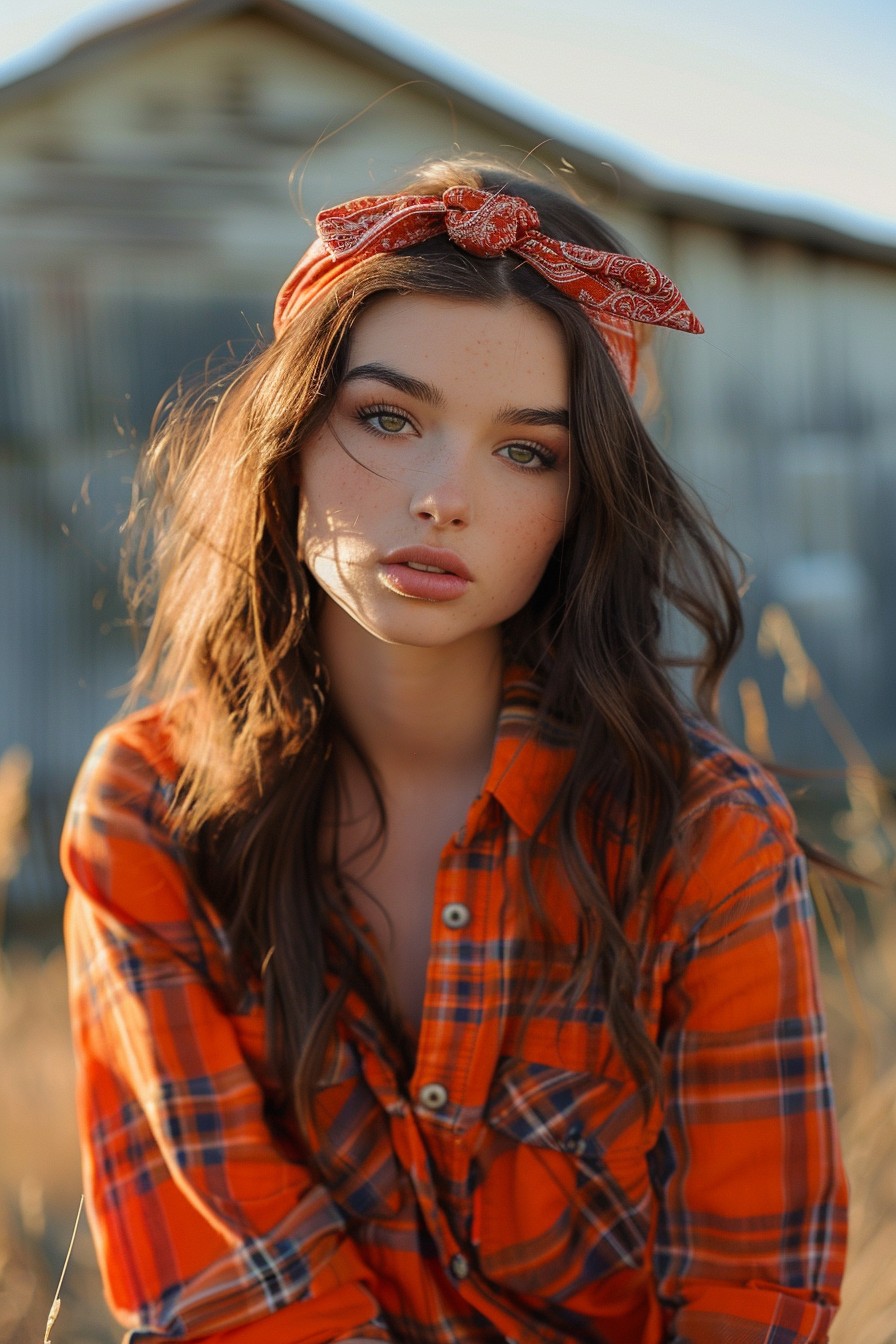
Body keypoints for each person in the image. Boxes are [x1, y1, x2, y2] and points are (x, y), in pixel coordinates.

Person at [61, 157, 848, 1344]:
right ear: (292, 433)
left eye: (525, 451)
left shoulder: (701, 833)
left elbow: (751, 1297)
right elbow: (237, 1294)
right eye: (387, 417)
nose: (442, 495)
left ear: (584, 503)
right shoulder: (152, 810)